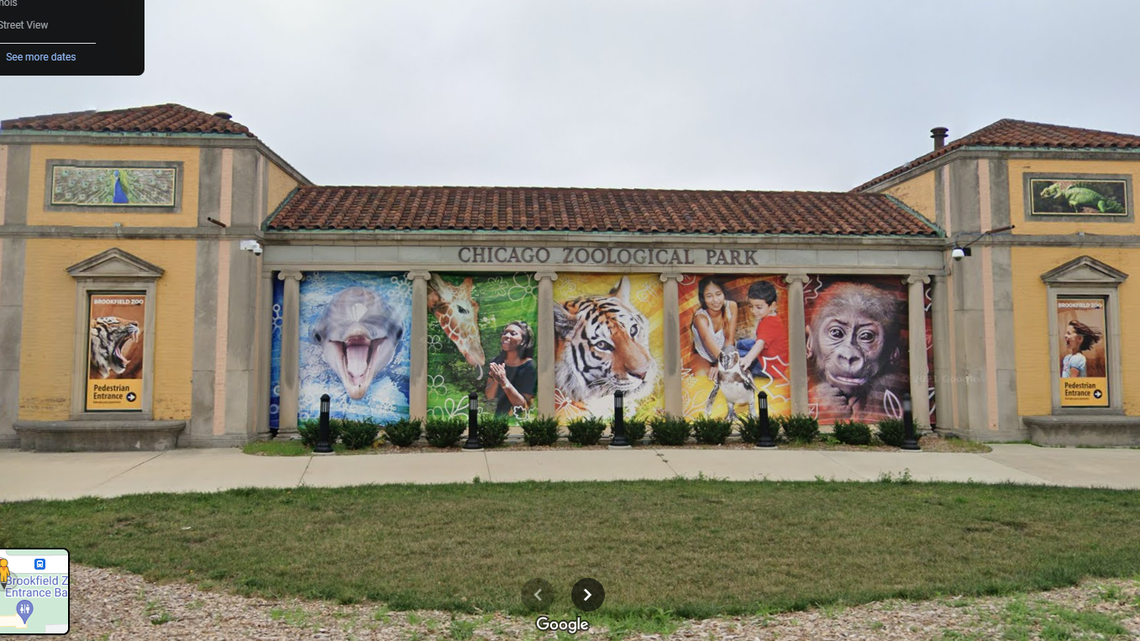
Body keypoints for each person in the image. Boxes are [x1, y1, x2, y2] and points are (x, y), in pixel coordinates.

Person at [737, 280, 789, 378]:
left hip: (769, 366)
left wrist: (747, 359)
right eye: (751, 306)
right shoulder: (772, 317)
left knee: (736, 354)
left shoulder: (769, 323)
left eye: (759, 307)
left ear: (772, 306)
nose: (753, 311)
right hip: (772, 355)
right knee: (742, 343)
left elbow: (760, 343)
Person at [485, 321, 537, 415]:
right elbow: (490, 396)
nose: (507, 336)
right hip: (499, 418)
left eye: (513, 334)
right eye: (505, 333)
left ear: (523, 341)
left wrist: (504, 381)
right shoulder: (497, 361)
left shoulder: (530, 366)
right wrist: (496, 380)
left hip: (519, 420)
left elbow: (522, 406)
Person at [690, 277, 738, 379]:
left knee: (724, 376)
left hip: (726, 351)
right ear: (703, 298)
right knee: (704, 378)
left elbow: (729, 341)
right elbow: (707, 340)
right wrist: (720, 363)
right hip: (703, 355)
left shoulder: (732, 306)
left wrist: (719, 365)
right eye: (709, 296)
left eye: (718, 294)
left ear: (724, 293)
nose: (715, 300)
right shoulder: (700, 318)